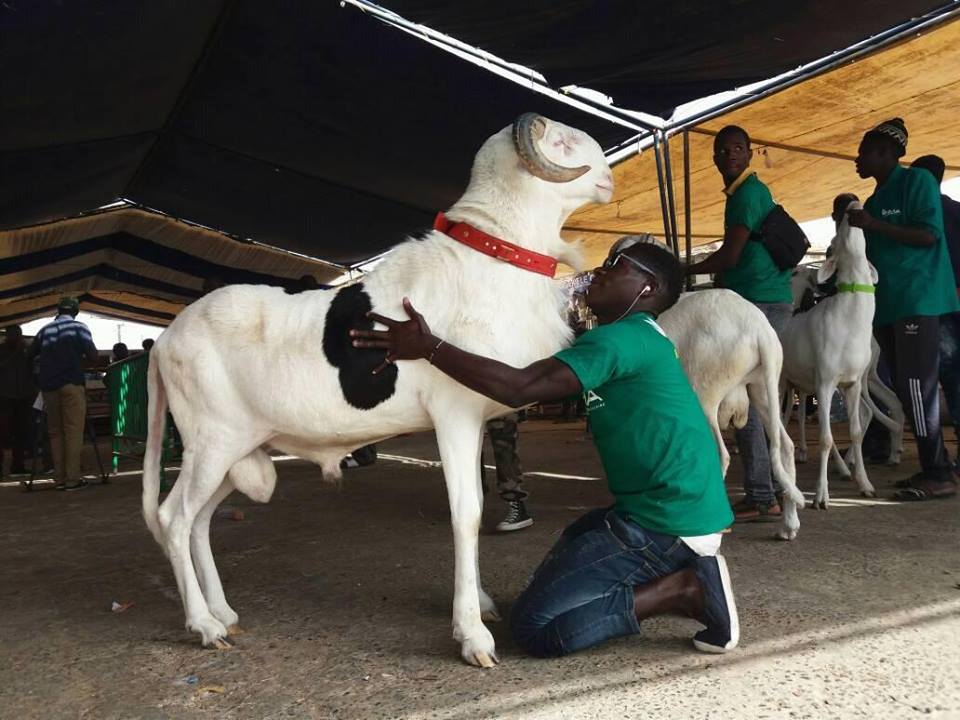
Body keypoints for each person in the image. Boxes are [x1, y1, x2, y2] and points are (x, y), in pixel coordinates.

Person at [350, 238, 738, 657]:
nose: (599, 271)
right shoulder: (635, 337)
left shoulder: (620, 341)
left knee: (536, 628)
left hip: (667, 521)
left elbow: (523, 387)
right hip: (666, 509)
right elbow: (539, 381)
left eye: (615, 265)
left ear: (647, 287)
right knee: (576, 540)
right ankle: (680, 567)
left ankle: (683, 589)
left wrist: (429, 347)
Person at [684, 125, 792, 523]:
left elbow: (729, 257)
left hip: (760, 303)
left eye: (737, 148)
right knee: (760, 404)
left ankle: (763, 494)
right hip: (764, 300)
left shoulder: (747, 194)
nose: (729, 155)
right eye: (723, 150)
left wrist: (684, 270)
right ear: (714, 158)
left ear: (750, 154)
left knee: (742, 402)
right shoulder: (744, 193)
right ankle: (774, 494)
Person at [848, 119, 959, 500]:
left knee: (918, 386)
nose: (857, 159)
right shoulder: (876, 200)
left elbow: (928, 235)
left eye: (864, 151)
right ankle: (936, 466)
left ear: (886, 153)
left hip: (919, 299)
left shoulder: (917, 183)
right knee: (904, 385)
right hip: (889, 307)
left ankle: (938, 473)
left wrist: (873, 224)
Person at [911, 154, 960, 463]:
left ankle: (937, 462)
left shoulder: (926, 215)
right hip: (951, 304)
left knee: (936, 380)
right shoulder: (955, 209)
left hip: (938, 306)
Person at [28, 297, 99, 490]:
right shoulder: (80, 328)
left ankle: (59, 479)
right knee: (73, 431)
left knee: (55, 433)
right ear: (75, 312)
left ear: (57, 311)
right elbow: (93, 355)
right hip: (71, 383)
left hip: (49, 387)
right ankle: (72, 480)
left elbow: (30, 355)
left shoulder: (44, 330)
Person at [483, 412, 532, 532]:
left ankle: (516, 503)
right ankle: (472, 503)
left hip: (497, 400)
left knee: (504, 444)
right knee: (467, 447)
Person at [0, 325, 37, 476]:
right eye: (13, 335)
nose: (17, 338)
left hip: (24, 396)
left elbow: (32, 370)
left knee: (22, 432)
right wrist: (16, 352)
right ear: (7, 336)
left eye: (19, 335)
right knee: (2, 432)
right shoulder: (2, 350)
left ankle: (18, 466)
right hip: (4, 396)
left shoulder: (26, 351)